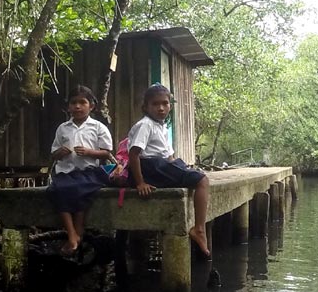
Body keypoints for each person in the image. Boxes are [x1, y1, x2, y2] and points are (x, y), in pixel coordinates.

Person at [127, 83, 211, 259]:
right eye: (155, 104)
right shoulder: (145, 125)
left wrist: (181, 169)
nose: (161, 108)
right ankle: (199, 229)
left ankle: (199, 229)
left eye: (165, 103)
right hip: (150, 168)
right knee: (202, 180)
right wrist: (140, 183)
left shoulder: (161, 126)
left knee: (189, 171)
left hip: (160, 165)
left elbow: (170, 157)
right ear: (145, 107)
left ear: (170, 106)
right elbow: (133, 154)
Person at [47, 85, 114, 254]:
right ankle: (72, 234)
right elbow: (54, 153)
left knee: (80, 190)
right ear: (68, 106)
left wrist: (90, 152)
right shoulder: (63, 128)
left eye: (82, 102)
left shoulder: (98, 127)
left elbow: (106, 152)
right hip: (66, 172)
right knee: (57, 190)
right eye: (73, 103)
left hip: (88, 172)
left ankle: (77, 231)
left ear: (91, 106)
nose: (77, 106)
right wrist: (60, 152)